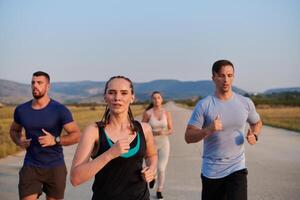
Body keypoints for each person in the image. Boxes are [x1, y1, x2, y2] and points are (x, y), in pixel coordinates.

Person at [185, 60, 262, 200]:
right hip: (212, 172)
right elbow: (188, 136)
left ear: (233, 76)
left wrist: (255, 135)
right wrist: (208, 130)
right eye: (221, 76)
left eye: (229, 75)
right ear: (213, 77)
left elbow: (257, 122)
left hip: (237, 167)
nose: (226, 80)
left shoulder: (245, 103)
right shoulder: (204, 105)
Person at [70, 75, 157, 200]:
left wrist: (151, 169)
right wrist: (110, 154)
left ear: (132, 97)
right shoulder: (94, 131)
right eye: (112, 93)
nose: (117, 98)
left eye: (124, 93)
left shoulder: (145, 129)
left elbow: (151, 155)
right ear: (105, 97)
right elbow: (75, 178)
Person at [9, 71, 81, 200]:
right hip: (31, 166)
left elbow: (76, 135)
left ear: (48, 86)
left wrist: (55, 140)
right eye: (33, 82)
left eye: (39, 83)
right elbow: (14, 130)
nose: (35, 85)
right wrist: (20, 142)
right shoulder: (22, 110)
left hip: (55, 166)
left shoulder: (60, 110)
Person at [142, 91, 173, 200]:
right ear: (152, 100)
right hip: (151, 144)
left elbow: (171, 129)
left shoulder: (166, 113)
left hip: (164, 143)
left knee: (161, 168)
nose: (156, 100)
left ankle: (159, 190)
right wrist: (154, 133)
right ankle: (153, 177)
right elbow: (142, 129)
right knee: (152, 168)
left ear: (162, 99)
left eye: (158, 98)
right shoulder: (148, 113)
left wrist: (164, 133)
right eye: (154, 98)